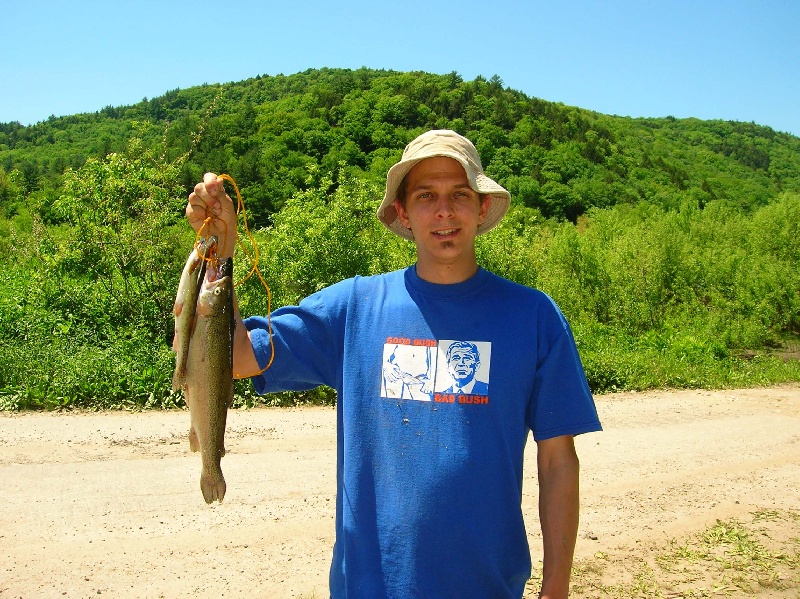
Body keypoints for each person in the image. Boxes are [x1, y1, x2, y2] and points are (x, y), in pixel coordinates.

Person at [186, 129, 602, 599]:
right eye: (426, 196)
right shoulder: (354, 307)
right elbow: (239, 357)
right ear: (403, 212)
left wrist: (556, 589)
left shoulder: (533, 317)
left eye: (459, 194)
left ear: (482, 207)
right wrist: (221, 250)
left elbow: (558, 462)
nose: (444, 211)